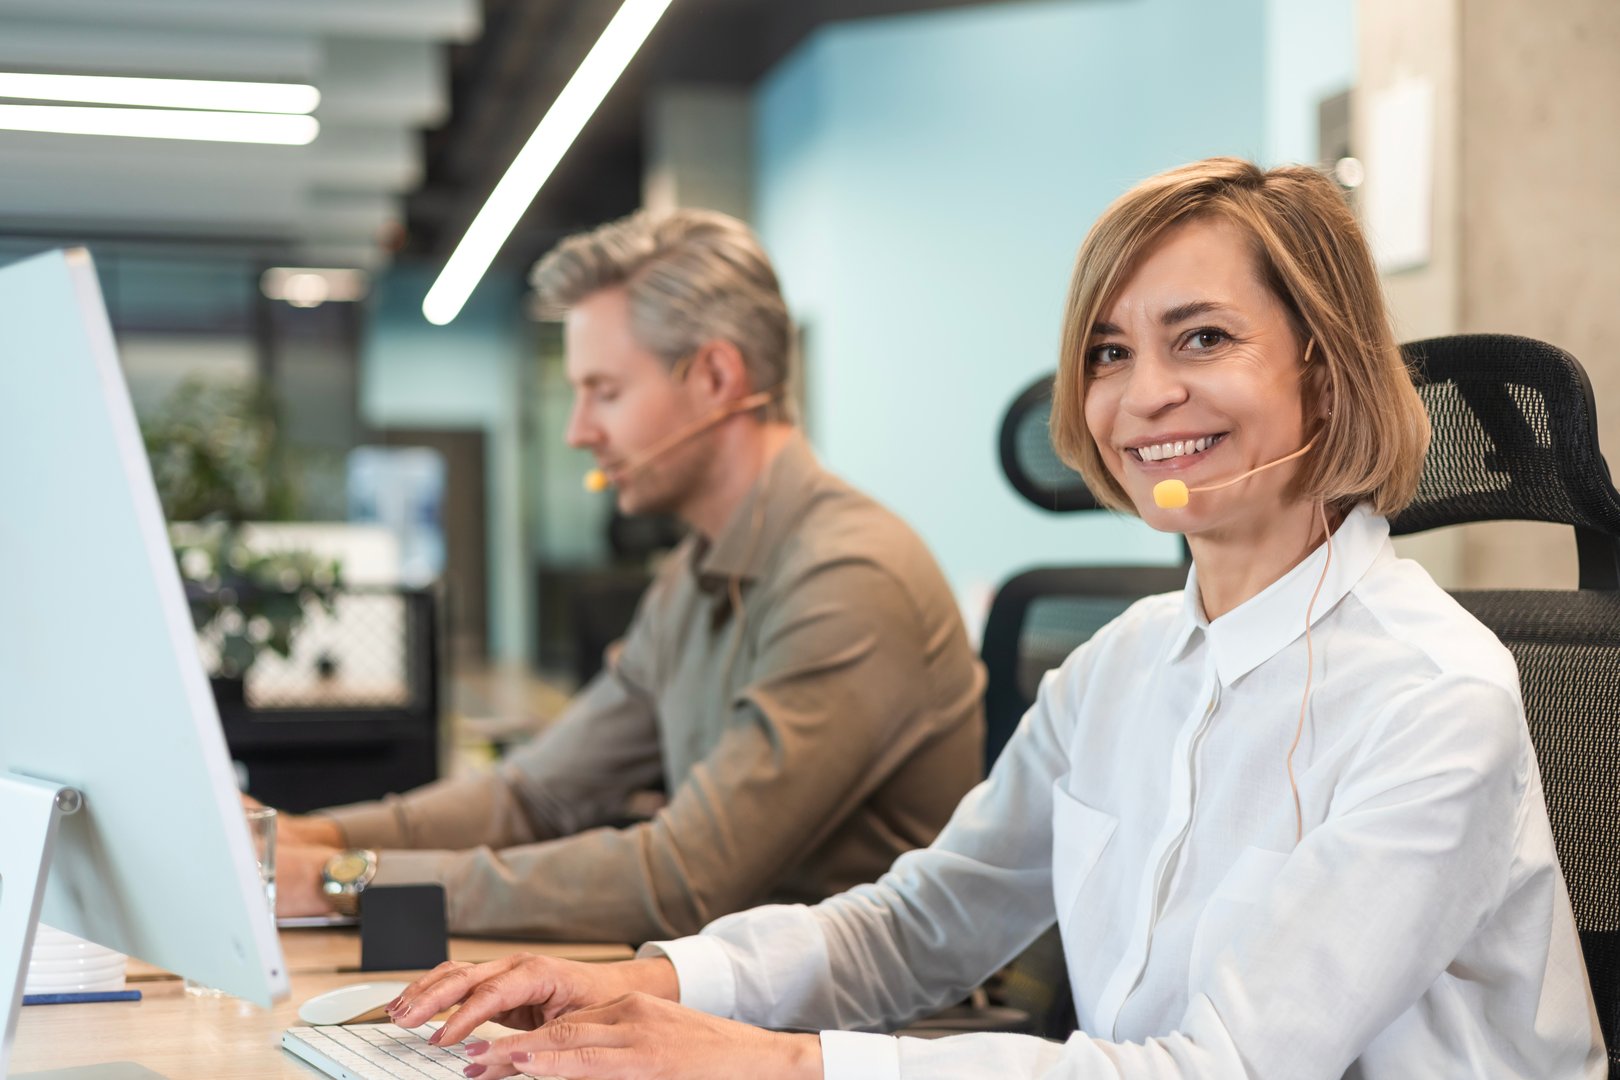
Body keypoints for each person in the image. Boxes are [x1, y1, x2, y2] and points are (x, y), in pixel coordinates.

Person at [383, 159, 1608, 1078]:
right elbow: (922, 926)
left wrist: (780, 1061)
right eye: (1110, 352)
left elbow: (1220, 1071)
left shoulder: (1433, 696)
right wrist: (638, 982)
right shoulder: (1116, 672)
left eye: (1204, 339)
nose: (1144, 397)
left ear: (1326, 374)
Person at [268, 209, 986, 943]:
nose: (578, 431)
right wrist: (306, 839)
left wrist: (345, 881)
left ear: (714, 377)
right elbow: (534, 797)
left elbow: (679, 881)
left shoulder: (850, 576)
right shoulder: (692, 574)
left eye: (605, 391)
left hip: (873, 1036)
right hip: (740, 997)